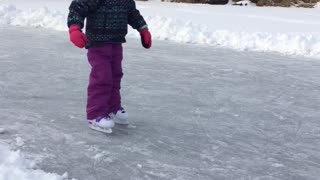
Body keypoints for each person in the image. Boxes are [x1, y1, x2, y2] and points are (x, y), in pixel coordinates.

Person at [67, 0, 152, 133]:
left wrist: (143, 29)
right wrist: (74, 28)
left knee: (115, 76)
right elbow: (78, 7)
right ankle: (95, 114)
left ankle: (113, 107)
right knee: (102, 78)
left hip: (116, 42)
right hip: (97, 43)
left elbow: (132, 13)